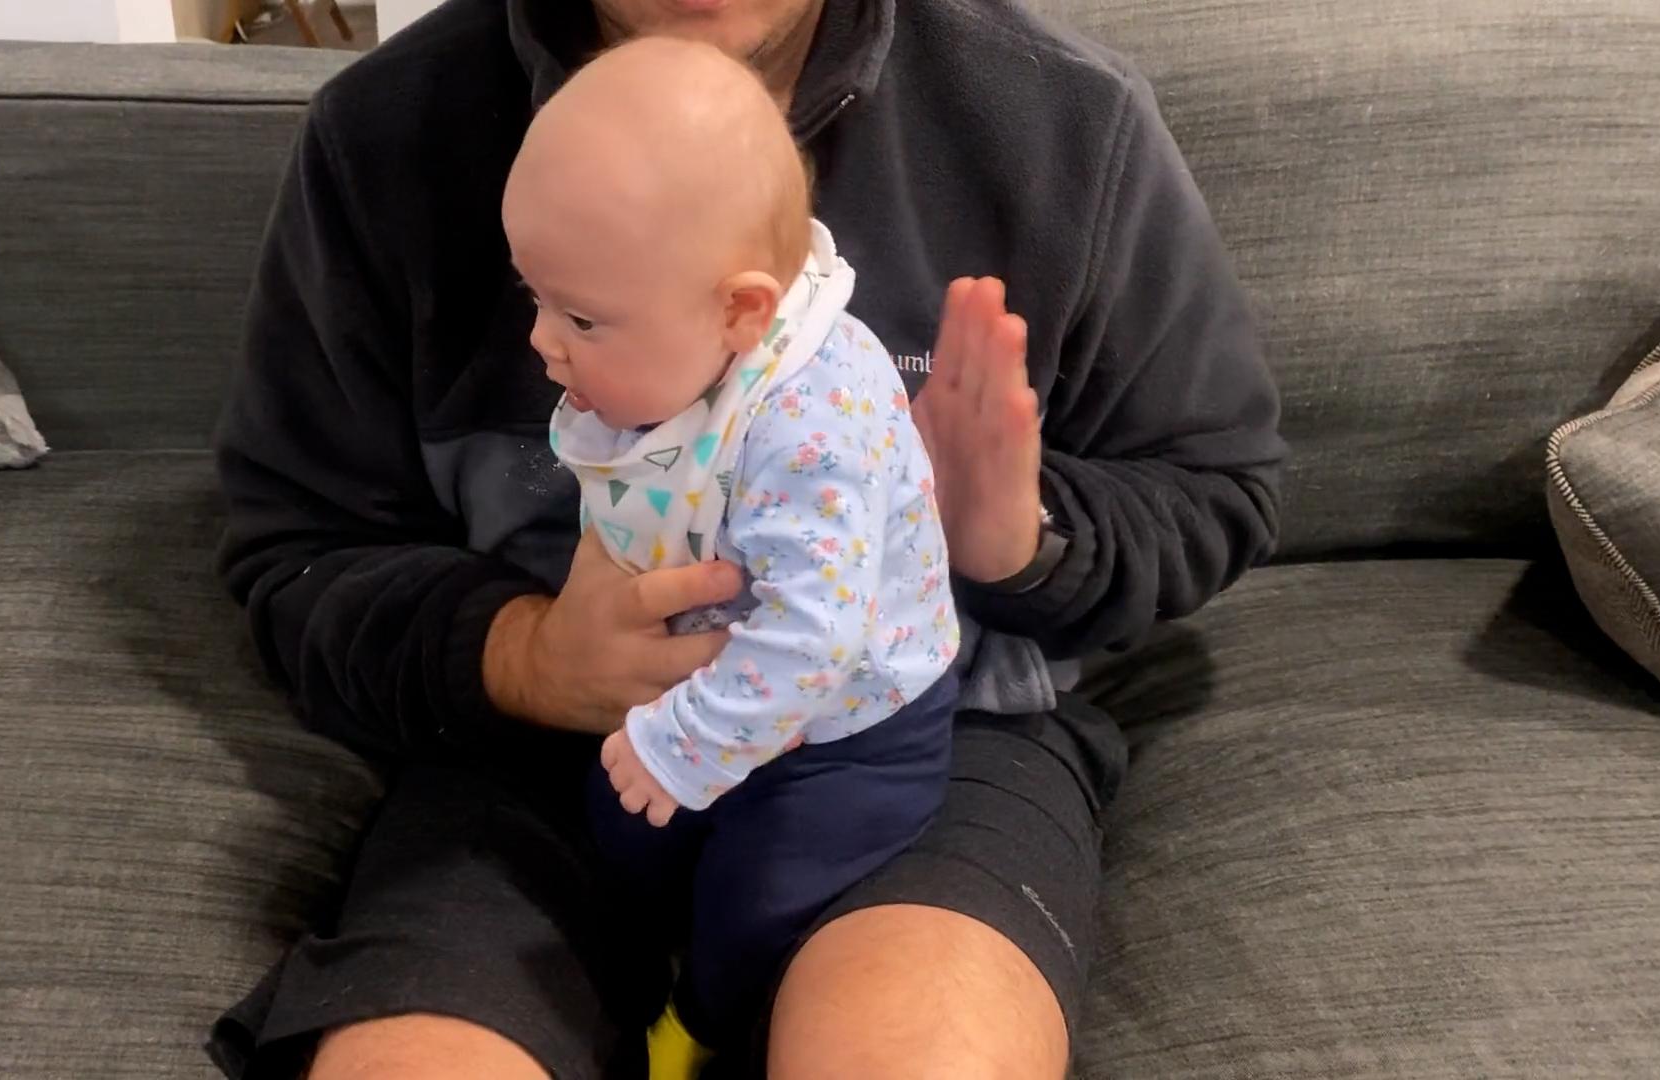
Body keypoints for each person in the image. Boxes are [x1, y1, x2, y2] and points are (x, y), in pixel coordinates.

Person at [209, 0, 1285, 1077]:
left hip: (927, 743)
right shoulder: (383, 136)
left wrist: (1018, 540)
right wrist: (526, 656)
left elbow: (1217, 489)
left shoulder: (1066, 122)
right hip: (529, 769)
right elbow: (296, 549)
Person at [511, 38, 963, 1072]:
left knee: (755, 898)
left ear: (744, 310)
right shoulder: (683, 337)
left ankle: (702, 1024)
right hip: (706, 691)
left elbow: (817, 634)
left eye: (578, 317)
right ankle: (626, 972)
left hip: (852, 728)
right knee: (616, 829)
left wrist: (690, 743)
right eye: (533, 296)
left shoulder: (816, 427)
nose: (541, 340)